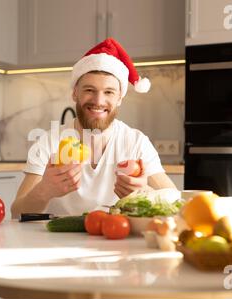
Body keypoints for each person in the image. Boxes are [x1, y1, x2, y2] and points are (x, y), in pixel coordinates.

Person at [11, 38, 176, 218]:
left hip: (115, 239)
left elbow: (176, 202)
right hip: (57, 241)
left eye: (108, 92)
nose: (98, 101)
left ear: (119, 98)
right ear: (75, 93)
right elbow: (16, 213)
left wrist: (143, 193)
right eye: (89, 90)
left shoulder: (136, 142)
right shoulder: (50, 141)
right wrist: (44, 191)